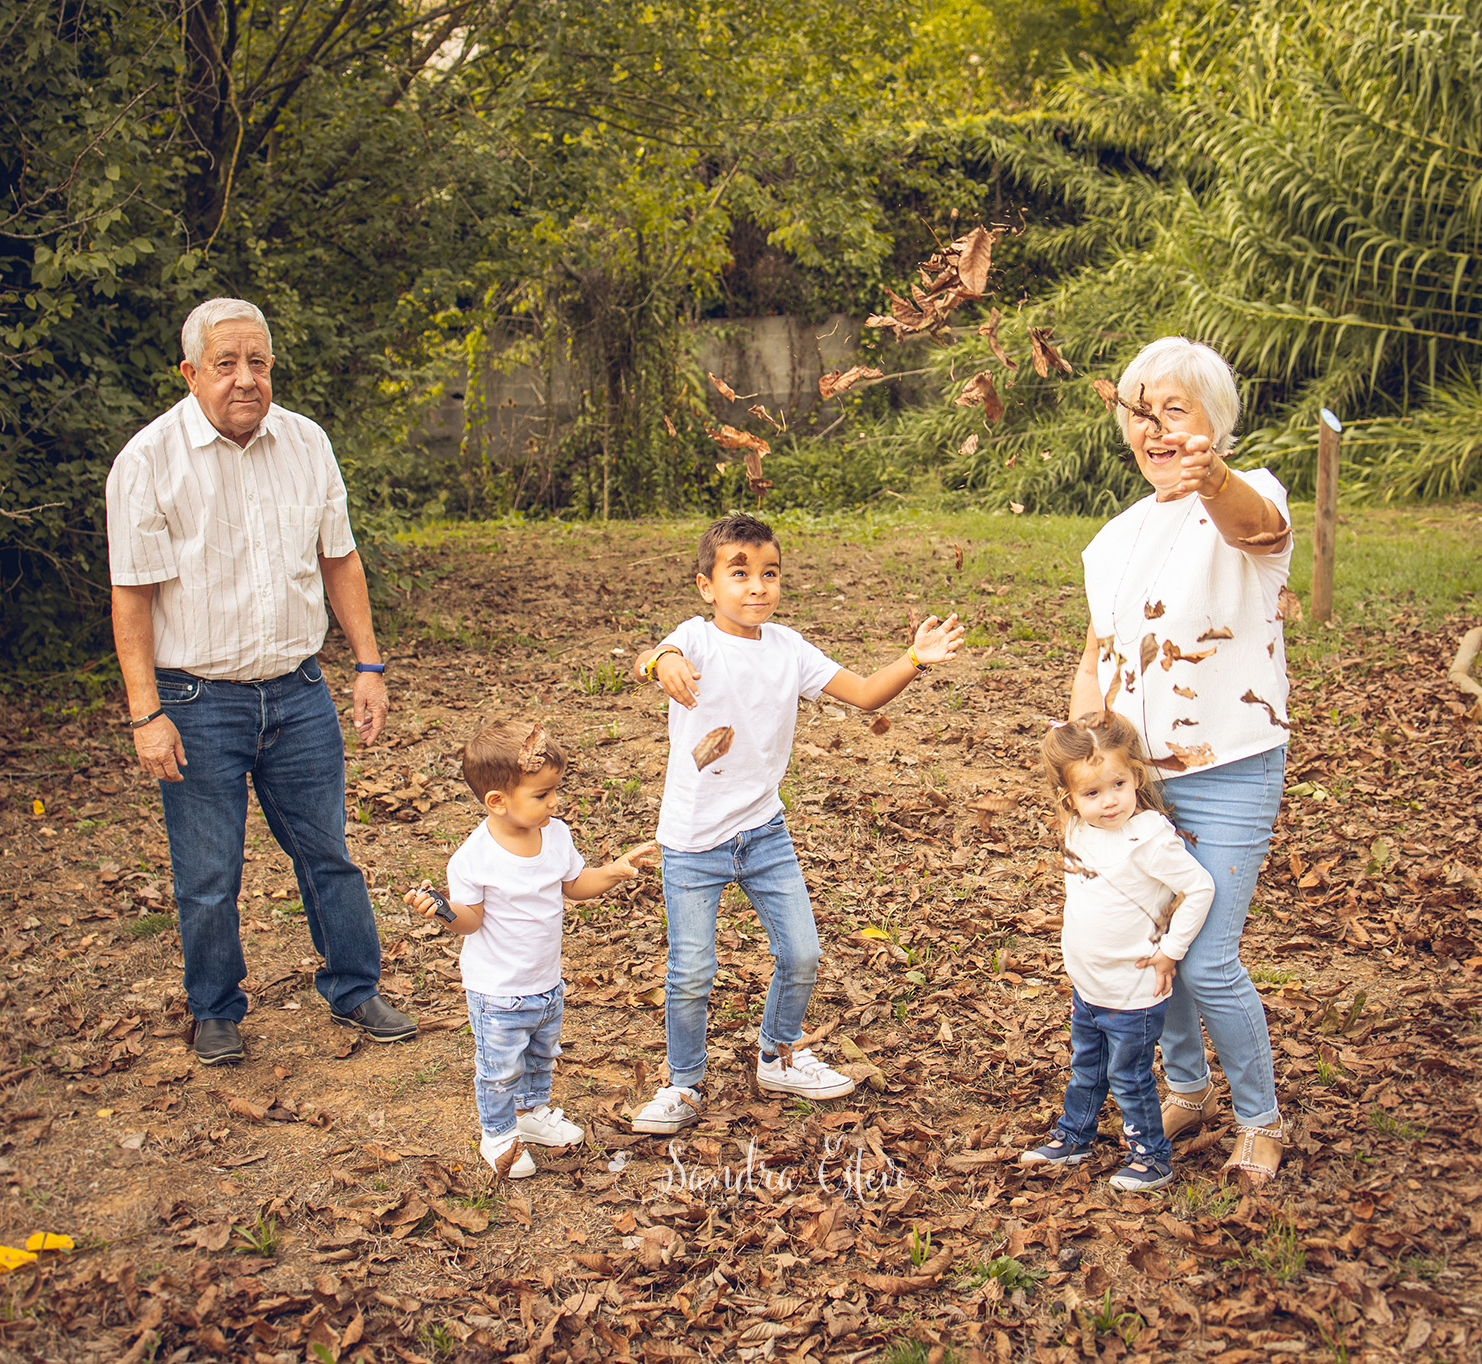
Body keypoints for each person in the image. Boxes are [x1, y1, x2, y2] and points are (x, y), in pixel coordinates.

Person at [106, 297, 412, 1067]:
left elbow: (339, 558)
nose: (246, 379)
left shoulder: (306, 442)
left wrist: (367, 663)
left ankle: (354, 985)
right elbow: (131, 595)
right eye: (226, 364)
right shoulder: (147, 461)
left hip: (300, 690)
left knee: (328, 853)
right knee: (209, 874)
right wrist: (146, 712)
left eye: (259, 363)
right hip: (196, 699)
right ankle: (215, 1008)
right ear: (190, 373)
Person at [628, 512, 966, 1134]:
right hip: (693, 843)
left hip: (763, 833)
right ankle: (683, 1084)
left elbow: (864, 693)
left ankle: (779, 1053)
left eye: (769, 574)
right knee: (692, 970)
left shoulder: (789, 647)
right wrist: (662, 664)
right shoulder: (696, 638)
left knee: (803, 952)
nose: (757, 587)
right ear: (707, 586)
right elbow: (660, 653)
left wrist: (915, 657)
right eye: (740, 574)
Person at [1070, 336, 1296, 1187]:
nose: (1156, 428)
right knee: (1144, 944)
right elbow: (1100, 654)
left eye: (1176, 410)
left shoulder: (1246, 492)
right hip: (1140, 784)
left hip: (1230, 766)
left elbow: (1259, 530)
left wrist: (1211, 480)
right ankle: (1189, 1088)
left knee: (1203, 956)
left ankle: (1261, 1117)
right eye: (1142, 412)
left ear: (1214, 424)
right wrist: (1082, 763)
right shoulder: (1113, 539)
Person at [406, 719, 657, 1178]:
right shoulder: (473, 857)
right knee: (500, 1068)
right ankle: (499, 1133)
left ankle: (531, 1113)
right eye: (542, 795)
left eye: (554, 791)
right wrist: (442, 910)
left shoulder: (555, 835)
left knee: (542, 1056)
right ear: (497, 802)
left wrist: (615, 870)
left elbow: (575, 885)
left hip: (545, 981)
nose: (554, 801)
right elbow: (471, 919)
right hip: (498, 990)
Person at [1017, 714, 1214, 1192]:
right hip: (1090, 984)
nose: (1109, 801)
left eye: (1118, 785)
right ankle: (1075, 1136)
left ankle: (1151, 1157)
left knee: (1129, 1077)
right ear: (1068, 798)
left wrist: (1171, 951)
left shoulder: (1147, 838)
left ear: (1136, 779)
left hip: (1133, 988)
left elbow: (1200, 887)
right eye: (1092, 793)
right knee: (1086, 1066)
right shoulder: (1078, 829)